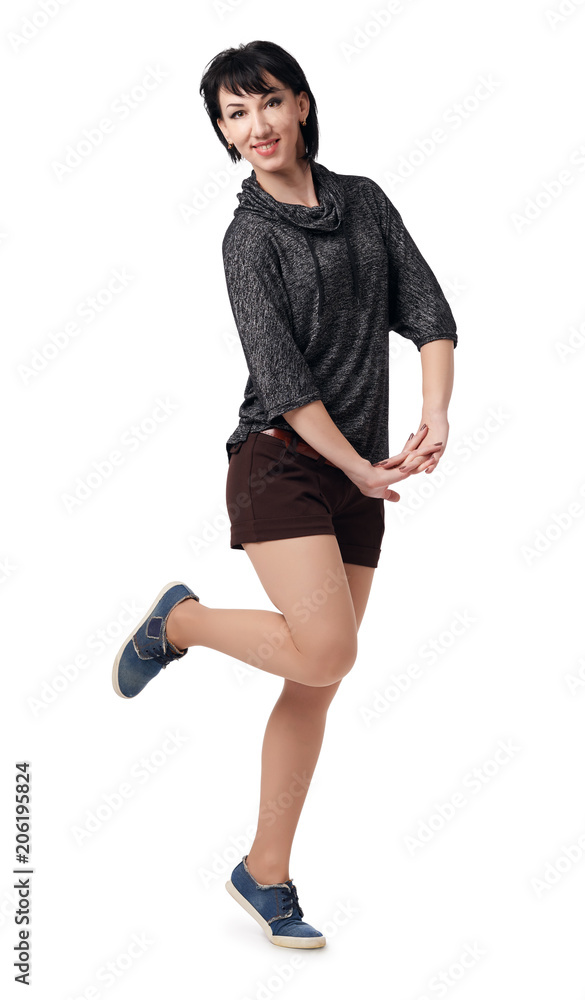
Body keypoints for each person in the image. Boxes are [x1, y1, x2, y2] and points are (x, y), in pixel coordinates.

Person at [112, 40, 457, 951]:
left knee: (320, 675)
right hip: (279, 458)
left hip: (358, 468)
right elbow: (285, 380)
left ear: (300, 105)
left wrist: (434, 416)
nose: (254, 126)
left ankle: (263, 873)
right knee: (326, 646)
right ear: (222, 133)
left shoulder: (366, 203)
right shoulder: (248, 238)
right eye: (233, 114)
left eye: (265, 103)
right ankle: (175, 624)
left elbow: (426, 313)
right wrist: (356, 467)